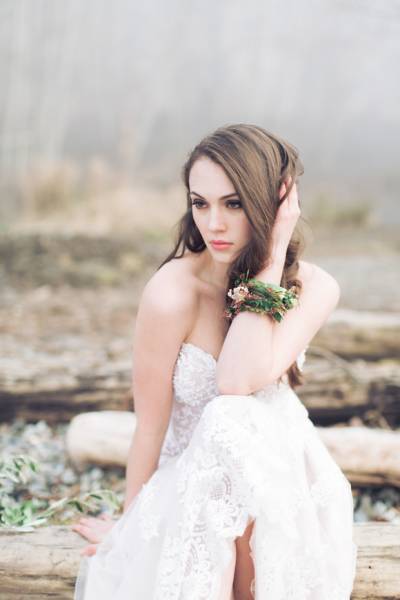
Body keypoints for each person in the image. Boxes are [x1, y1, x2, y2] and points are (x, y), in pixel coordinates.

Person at [72, 123, 358, 599]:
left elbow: (237, 379)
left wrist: (272, 255)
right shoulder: (172, 293)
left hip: (287, 492)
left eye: (234, 203)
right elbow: (150, 427)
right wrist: (132, 527)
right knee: (229, 428)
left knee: (235, 416)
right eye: (199, 203)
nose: (214, 224)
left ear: (275, 204)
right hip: (193, 488)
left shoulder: (315, 287)